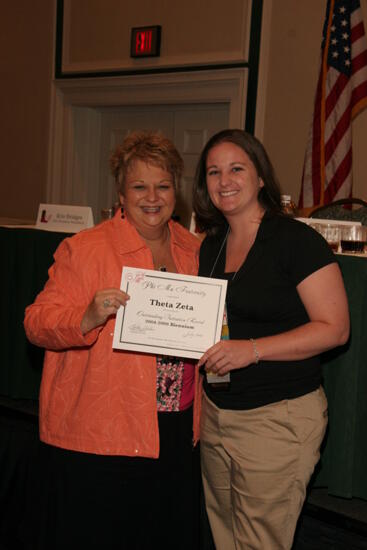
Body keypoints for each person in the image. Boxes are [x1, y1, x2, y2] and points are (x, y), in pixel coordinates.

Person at [24, 131, 201, 549]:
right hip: (106, 429)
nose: (152, 197)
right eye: (139, 186)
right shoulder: (85, 249)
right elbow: (36, 322)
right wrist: (85, 317)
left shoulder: (194, 249)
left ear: (176, 189)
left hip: (175, 428)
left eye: (163, 185)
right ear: (121, 192)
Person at [193, 129, 350, 550]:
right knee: (225, 537)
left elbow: (335, 328)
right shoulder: (211, 245)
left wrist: (253, 350)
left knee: (261, 543)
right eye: (213, 171)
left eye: (236, 168)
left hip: (277, 419)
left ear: (261, 176)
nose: (224, 180)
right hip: (218, 414)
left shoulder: (296, 241)